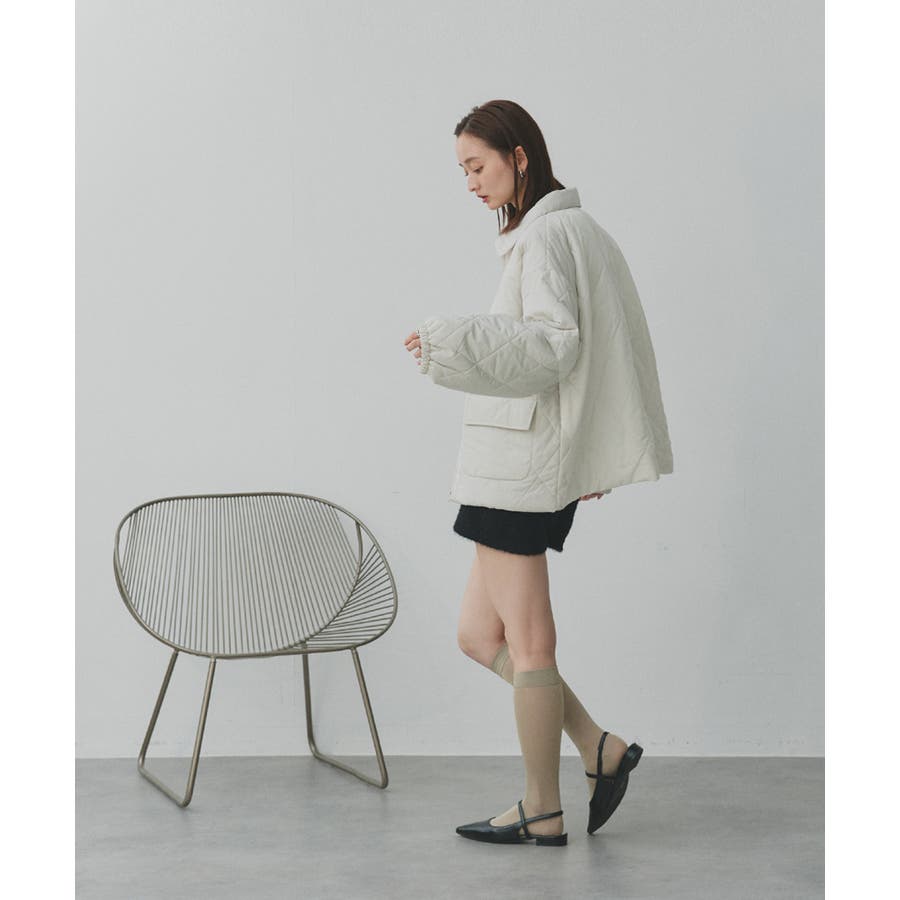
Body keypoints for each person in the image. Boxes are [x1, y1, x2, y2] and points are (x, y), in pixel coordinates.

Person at [402, 100, 673, 846]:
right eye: (462, 170)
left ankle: (542, 808)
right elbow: (608, 346)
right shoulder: (578, 230)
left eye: (477, 165)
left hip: (519, 465)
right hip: (518, 462)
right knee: (475, 634)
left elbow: (556, 347)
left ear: (519, 156)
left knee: (529, 644)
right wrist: (591, 447)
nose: (469, 182)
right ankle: (597, 746)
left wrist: (451, 342)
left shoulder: (548, 236)